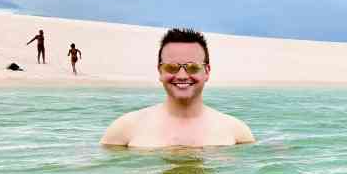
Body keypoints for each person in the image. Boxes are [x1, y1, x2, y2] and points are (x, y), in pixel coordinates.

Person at [100, 28, 254, 148]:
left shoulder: (237, 133)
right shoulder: (124, 130)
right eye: (171, 67)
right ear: (160, 71)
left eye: (193, 67)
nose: (181, 75)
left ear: (207, 72)